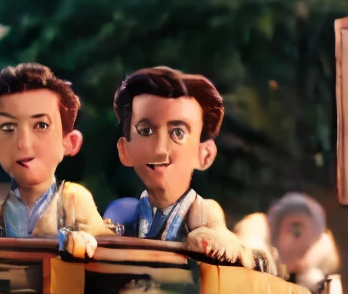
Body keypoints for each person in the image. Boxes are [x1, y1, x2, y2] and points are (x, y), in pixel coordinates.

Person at [104, 68, 266, 268]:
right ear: (124, 150)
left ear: (204, 154)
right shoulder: (124, 214)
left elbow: (222, 240)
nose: (161, 149)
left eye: (178, 133)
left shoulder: (202, 213)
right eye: (146, 131)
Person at [0, 63, 110, 255]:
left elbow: (104, 247)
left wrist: (85, 240)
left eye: (41, 125)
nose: (24, 144)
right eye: (8, 128)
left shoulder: (74, 201)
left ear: (70, 142)